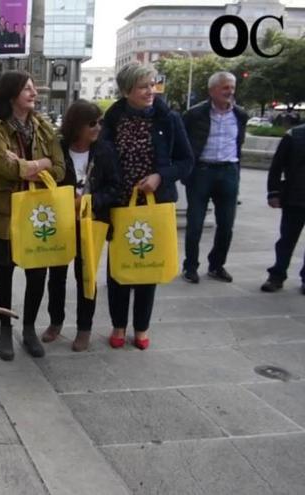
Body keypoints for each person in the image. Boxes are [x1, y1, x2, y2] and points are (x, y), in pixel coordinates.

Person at [100, 62, 194, 350]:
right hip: (121, 203)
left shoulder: (168, 119)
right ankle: (118, 325)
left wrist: (159, 176)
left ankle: (141, 328)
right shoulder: (113, 119)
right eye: (143, 86)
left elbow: (186, 162)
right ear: (127, 90)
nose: (150, 91)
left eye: (152, 84)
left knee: (147, 267)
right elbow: (102, 160)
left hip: (155, 203)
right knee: (119, 267)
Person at [0, 70, 65, 361]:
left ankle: (28, 329)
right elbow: (5, 168)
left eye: (34, 88)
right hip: (4, 213)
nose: (34, 94)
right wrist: (42, 164)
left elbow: (60, 169)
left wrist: (30, 163)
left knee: (37, 272)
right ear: (11, 94)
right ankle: (4, 328)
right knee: (5, 271)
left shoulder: (45, 127)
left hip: (37, 212)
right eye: (27, 89)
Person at [40, 100, 121, 352]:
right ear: (77, 125)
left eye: (100, 122)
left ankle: (84, 328)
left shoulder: (105, 151)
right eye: (92, 123)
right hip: (62, 223)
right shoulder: (59, 148)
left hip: (91, 223)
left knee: (86, 277)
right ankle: (56, 322)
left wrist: (89, 201)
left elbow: (115, 188)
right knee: (56, 277)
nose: (97, 127)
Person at [181, 72, 248, 284]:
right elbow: (182, 143)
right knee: (195, 224)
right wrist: (186, 170)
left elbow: (239, 142)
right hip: (201, 172)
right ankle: (190, 267)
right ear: (212, 91)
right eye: (225, 88)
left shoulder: (240, 114)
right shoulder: (194, 114)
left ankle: (217, 265)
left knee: (226, 224)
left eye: (232, 87)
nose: (230, 92)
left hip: (228, 171)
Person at [261, 123, 305, 294]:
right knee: (286, 240)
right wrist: (273, 193)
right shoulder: (294, 135)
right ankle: (277, 276)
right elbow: (277, 166)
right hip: (295, 197)